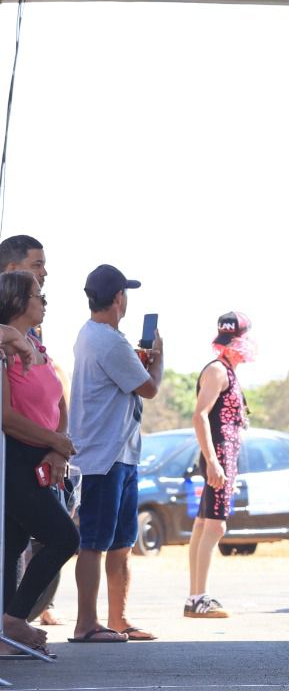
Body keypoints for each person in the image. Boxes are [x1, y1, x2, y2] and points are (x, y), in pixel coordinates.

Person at [69, 264, 165, 644]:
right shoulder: (109, 341)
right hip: (102, 456)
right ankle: (87, 624)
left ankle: (117, 619)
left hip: (118, 453)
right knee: (94, 542)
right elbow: (149, 389)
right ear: (118, 298)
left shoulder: (94, 335)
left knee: (122, 542)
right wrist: (159, 357)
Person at [1, 273, 77, 655]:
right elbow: (6, 417)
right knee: (65, 537)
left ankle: (7, 631)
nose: (44, 301)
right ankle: (15, 621)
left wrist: (58, 448)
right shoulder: (6, 351)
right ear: (17, 302)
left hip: (44, 454)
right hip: (14, 458)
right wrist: (53, 441)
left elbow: (59, 404)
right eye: (37, 294)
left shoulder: (36, 346)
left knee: (13, 545)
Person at [186, 312, 255, 619]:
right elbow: (200, 415)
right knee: (215, 524)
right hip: (219, 456)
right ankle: (199, 598)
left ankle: (196, 597)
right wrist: (213, 461)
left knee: (204, 525)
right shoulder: (217, 371)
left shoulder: (227, 370)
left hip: (224, 455)